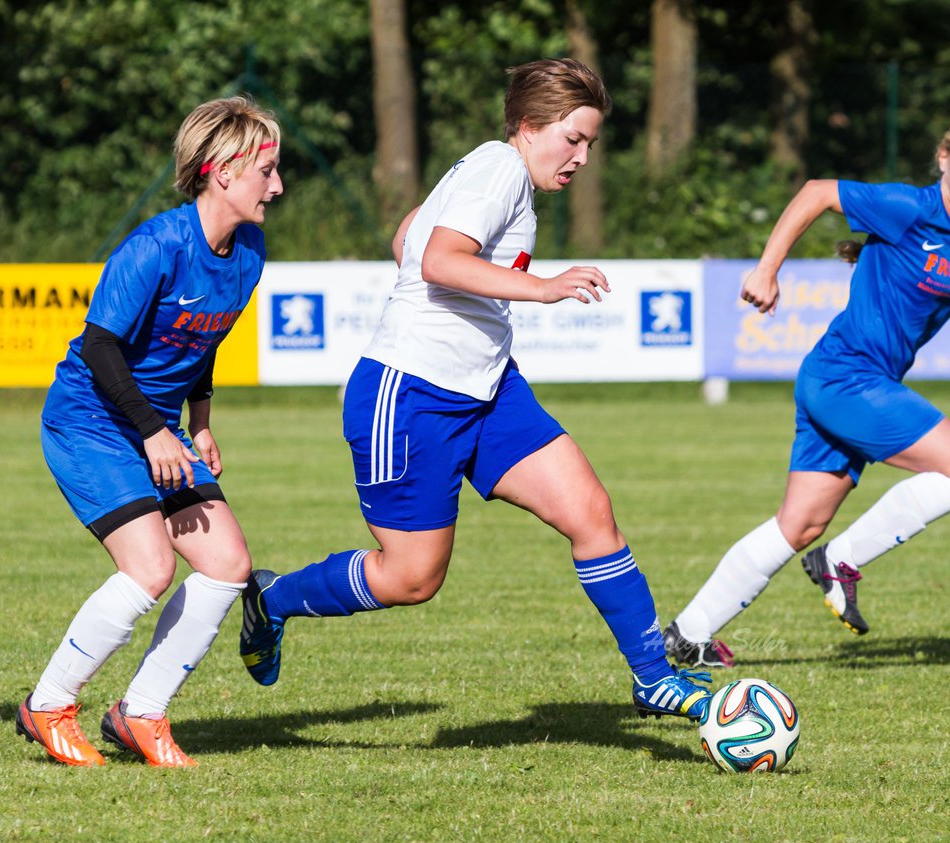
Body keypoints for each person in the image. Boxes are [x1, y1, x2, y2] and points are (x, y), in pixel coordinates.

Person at [238, 58, 713, 722]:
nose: (581, 157)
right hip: (411, 395)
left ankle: (654, 678)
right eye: (572, 138)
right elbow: (436, 259)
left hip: (487, 389)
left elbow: (411, 237)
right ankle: (273, 598)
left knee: (590, 513)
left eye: (590, 144)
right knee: (412, 577)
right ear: (528, 124)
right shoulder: (499, 169)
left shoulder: (493, 171)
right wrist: (543, 287)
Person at [665, 111, 950, 667]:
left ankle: (687, 636)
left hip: (850, 381)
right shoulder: (908, 208)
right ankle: (842, 558)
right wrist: (768, 269)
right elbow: (816, 192)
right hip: (845, 376)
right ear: (943, 159)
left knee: (800, 523)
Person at [16, 96, 282, 767]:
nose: (277, 187)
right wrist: (155, 432)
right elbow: (101, 347)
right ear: (221, 172)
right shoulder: (156, 246)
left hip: (158, 428)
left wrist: (199, 420)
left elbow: (203, 342)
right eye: (266, 171)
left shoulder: (248, 250)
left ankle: (141, 714)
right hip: (92, 422)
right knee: (150, 567)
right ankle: (48, 704)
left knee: (228, 565)